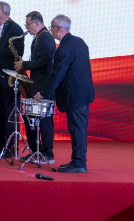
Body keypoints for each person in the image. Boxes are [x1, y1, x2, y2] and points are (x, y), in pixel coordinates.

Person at [40, 15, 94, 173]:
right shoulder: (79, 42)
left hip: (74, 95)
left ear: (59, 28)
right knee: (80, 128)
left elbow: (56, 75)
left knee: (77, 129)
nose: (50, 30)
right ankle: (78, 161)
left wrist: (43, 94)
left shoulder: (63, 48)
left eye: (51, 27)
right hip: (84, 93)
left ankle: (79, 163)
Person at [15, 11, 56, 165]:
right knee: (34, 120)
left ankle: (47, 153)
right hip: (37, 85)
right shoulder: (40, 37)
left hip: (42, 86)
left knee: (44, 121)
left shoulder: (45, 38)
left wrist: (23, 64)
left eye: (28, 24)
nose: (26, 27)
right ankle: (36, 151)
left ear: (37, 23)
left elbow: (43, 62)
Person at [0, 1, 24, 157]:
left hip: (10, 77)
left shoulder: (16, 29)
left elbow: (19, 51)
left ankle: (10, 147)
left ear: (6, 14)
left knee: (10, 114)